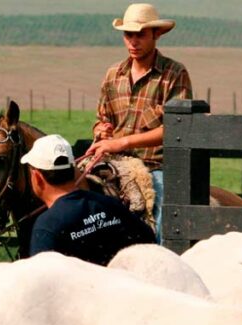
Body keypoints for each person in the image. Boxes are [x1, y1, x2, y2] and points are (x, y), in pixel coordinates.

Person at [84, 3, 192, 242]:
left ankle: (163, 257)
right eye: (128, 35)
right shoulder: (114, 74)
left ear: (156, 34)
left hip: (156, 165)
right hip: (113, 161)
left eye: (140, 34)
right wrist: (101, 131)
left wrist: (121, 143)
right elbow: (102, 118)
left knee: (163, 213)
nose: (133, 41)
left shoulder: (174, 74)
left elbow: (177, 129)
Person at [24, 134, 154, 266]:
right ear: (74, 170)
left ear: (37, 177)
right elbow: (148, 240)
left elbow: (43, 280)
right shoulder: (110, 204)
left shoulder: (47, 227)